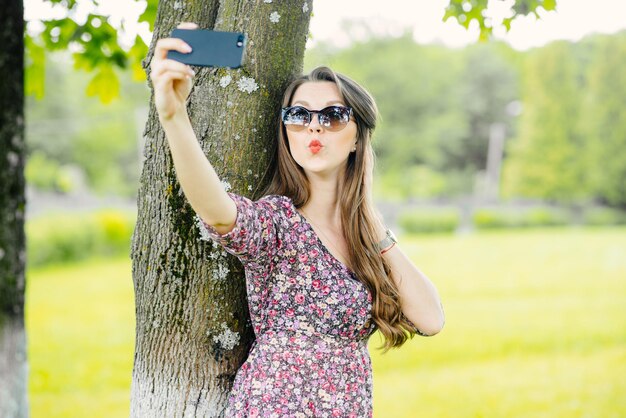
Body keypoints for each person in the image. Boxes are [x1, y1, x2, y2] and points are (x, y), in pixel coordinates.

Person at [150, 21, 445, 418]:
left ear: (357, 137)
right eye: (299, 114)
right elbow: (216, 209)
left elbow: (430, 320)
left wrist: (370, 224)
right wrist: (174, 117)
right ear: (286, 131)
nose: (314, 126)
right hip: (275, 405)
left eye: (333, 115)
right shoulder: (278, 223)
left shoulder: (367, 240)